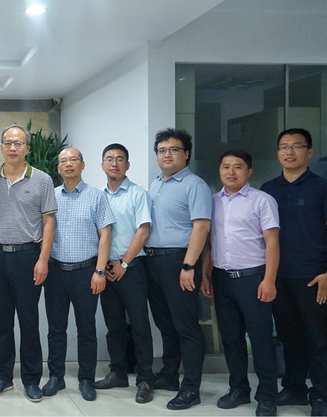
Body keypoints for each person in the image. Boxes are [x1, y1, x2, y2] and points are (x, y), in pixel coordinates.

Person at [260, 128, 327, 417]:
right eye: (284, 146)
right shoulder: (268, 189)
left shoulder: (324, 188)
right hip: (278, 277)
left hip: (313, 276)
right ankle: (294, 387)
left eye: (296, 146)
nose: (289, 151)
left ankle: (320, 396)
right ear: (277, 153)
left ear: (309, 152)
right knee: (289, 336)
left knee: (317, 337)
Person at [0, 124, 57, 402]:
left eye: (19, 143)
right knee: (1, 322)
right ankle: (2, 377)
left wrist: (43, 260)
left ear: (27, 148)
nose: (13, 147)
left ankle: (31, 379)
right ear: (1, 147)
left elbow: (49, 222)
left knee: (29, 321)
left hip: (28, 257)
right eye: (8, 143)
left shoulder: (42, 180)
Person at [201, 150, 279, 416]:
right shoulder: (212, 202)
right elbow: (209, 242)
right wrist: (205, 274)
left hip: (254, 279)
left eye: (237, 166)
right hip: (223, 279)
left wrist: (269, 280)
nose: (231, 172)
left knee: (261, 339)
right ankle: (239, 389)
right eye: (226, 166)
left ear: (249, 171)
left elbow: (272, 242)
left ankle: (267, 396)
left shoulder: (262, 200)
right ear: (219, 170)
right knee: (231, 339)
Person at [144, 128, 210, 410]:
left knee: (186, 326)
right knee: (165, 324)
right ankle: (169, 374)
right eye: (162, 150)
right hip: (153, 261)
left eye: (174, 149)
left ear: (186, 154)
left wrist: (189, 265)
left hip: (179, 261)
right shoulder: (156, 183)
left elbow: (201, 226)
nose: (167, 155)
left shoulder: (195, 185)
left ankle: (191, 388)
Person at [43, 147, 114, 402]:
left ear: (83, 165)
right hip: (55, 272)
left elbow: (105, 234)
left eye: (74, 160)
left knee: (86, 329)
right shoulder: (50, 197)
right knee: (55, 329)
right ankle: (56, 377)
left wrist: (100, 271)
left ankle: (86, 379)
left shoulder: (96, 196)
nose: (69, 164)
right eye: (63, 161)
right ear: (58, 168)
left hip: (86, 272)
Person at [95, 143, 155, 404]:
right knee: (114, 326)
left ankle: (145, 379)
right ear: (102, 165)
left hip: (132, 268)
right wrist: (104, 267)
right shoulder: (98, 196)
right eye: (109, 159)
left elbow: (143, 231)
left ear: (127, 165)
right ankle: (118, 373)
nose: (114, 163)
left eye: (120, 159)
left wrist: (124, 263)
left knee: (140, 326)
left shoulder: (138, 194)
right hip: (105, 270)